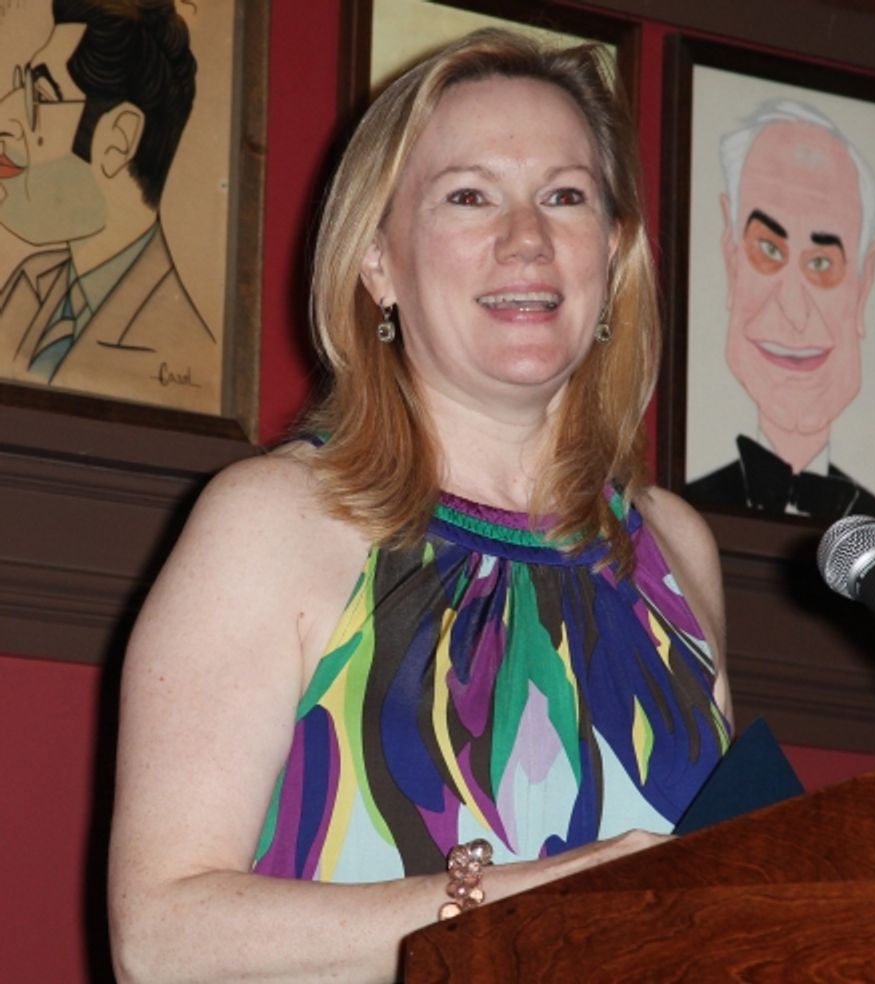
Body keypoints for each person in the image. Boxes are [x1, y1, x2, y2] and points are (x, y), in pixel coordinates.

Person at [107, 28, 732, 982]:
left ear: (613, 255)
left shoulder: (672, 548)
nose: (527, 238)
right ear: (377, 264)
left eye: (565, 196)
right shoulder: (271, 524)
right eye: (469, 196)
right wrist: (524, 900)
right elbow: (160, 939)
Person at [685, 99, 875, 534]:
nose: (793, 306)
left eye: (822, 263)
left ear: (864, 285)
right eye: (769, 250)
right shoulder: (673, 520)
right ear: (731, 259)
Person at [0, 0, 217, 413]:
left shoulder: (176, 342)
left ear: (118, 138)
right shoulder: (27, 284)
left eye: (40, 95)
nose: (5, 116)